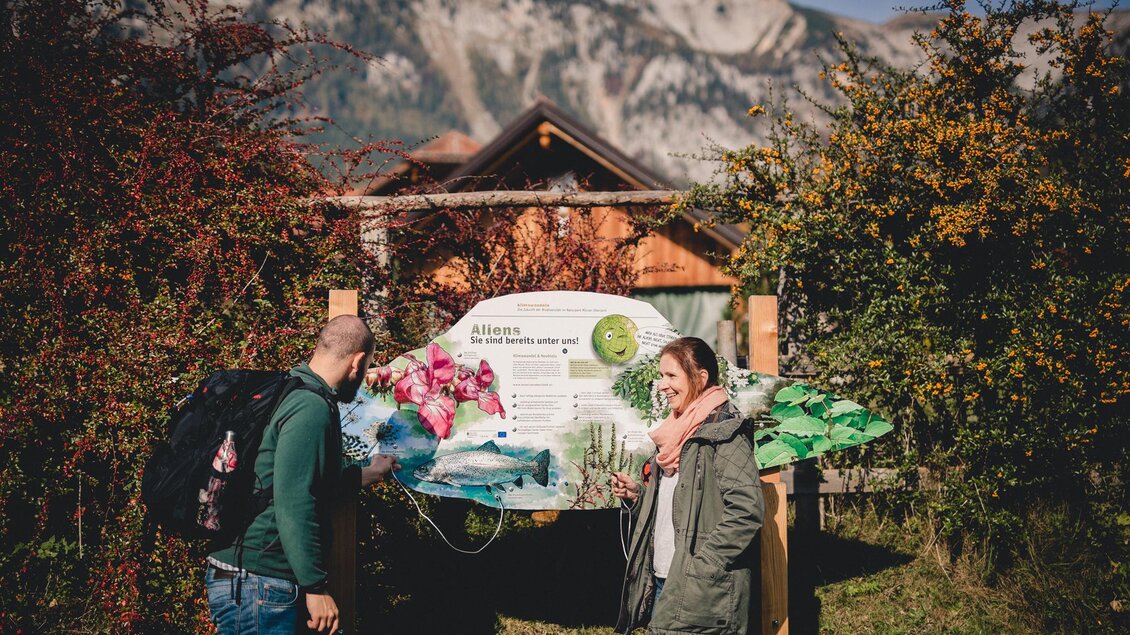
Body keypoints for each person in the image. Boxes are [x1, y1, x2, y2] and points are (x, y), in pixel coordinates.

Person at [206, 315, 400, 634]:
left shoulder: (288, 392)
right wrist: (315, 587)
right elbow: (294, 499)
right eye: (367, 369)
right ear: (358, 362)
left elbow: (303, 481)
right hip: (261, 581)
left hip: (249, 579)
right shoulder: (311, 407)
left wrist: (369, 473)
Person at [612, 336, 764, 634]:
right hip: (663, 576)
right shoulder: (675, 433)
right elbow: (680, 505)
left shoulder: (725, 434)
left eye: (671, 376)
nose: (662, 385)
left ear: (700, 377)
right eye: (661, 376)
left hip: (700, 586)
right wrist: (638, 496)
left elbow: (747, 511)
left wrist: (704, 564)